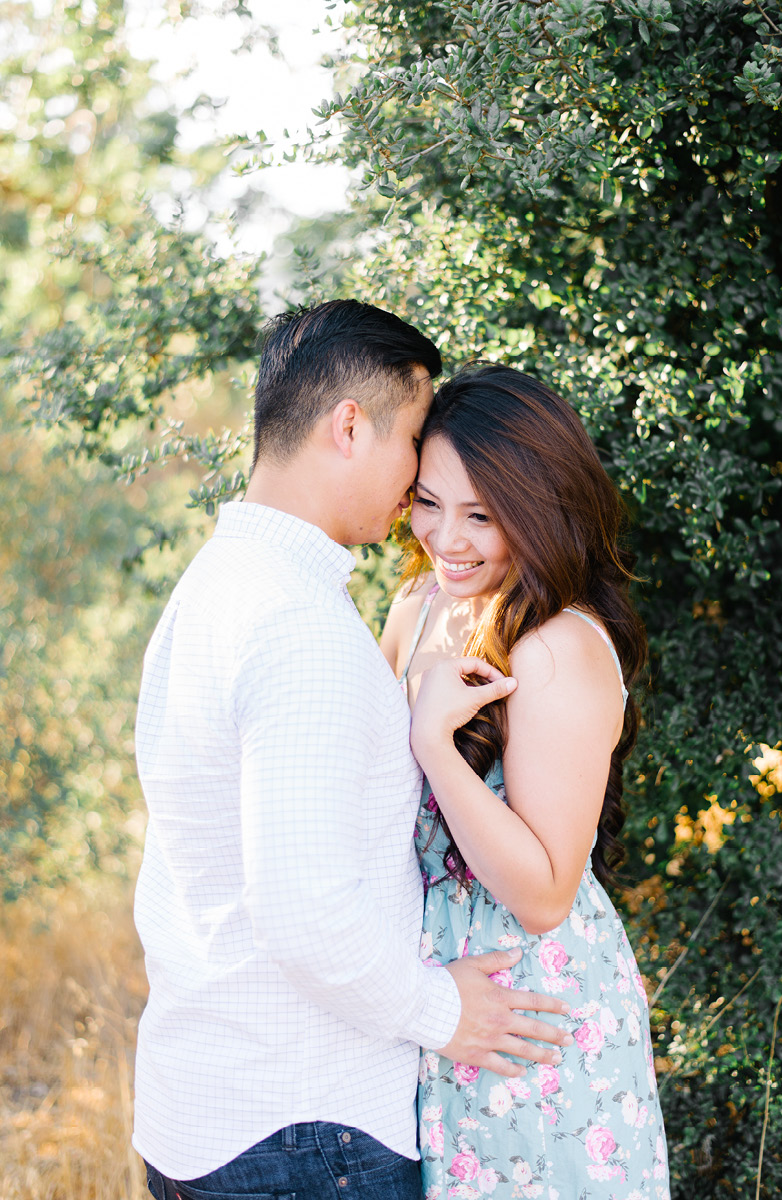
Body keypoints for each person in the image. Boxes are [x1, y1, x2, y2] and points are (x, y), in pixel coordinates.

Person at [133, 303, 573, 1200]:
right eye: (413, 438)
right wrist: (444, 1012)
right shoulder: (297, 625)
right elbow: (302, 912)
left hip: (210, 1106)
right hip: (302, 1125)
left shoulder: (217, 583)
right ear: (348, 426)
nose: (417, 482)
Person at [382, 364, 670, 1199]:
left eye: (483, 514)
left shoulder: (557, 646)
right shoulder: (417, 606)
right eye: (429, 502)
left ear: (540, 508)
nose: (448, 538)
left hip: (532, 1015)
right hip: (433, 1001)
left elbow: (544, 893)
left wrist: (434, 743)